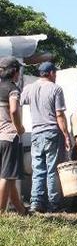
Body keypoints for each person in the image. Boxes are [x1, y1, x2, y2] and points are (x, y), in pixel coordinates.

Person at [20, 62, 71, 213]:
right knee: (51, 169)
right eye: (55, 73)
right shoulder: (56, 89)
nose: (55, 76)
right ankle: (53, 204)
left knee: (38, 169)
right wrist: (66, 135)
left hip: (36, 133)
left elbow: (19, 101)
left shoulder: (30, 88)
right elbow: (60, 115)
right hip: (51, 132)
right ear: (50, 73)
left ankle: (36, 203)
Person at [0, 57, 27, 215]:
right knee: (7, 177)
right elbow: (14, 110)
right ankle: (1, 213)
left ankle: (21, 210)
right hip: (9, 137)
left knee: (9, 177)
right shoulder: (13, 89)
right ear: (15, 71)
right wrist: (19, 127)